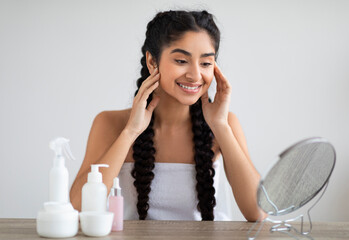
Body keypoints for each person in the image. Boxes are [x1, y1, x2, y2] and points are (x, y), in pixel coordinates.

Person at [70, 10, 264, 221]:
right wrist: (130, 132)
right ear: (152, 62)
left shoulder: (226, 124)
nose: (195, 75)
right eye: (181, 60)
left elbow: (258, 212)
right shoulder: (109, 123)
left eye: (206, 63)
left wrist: (220, 126)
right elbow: (78, 207)